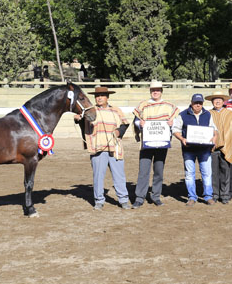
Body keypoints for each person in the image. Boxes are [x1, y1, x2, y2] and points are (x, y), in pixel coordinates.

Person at [74, 86, 130, 210]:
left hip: (115, 147)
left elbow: (125, 124)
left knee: (119, 175)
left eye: (102, 96)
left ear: (107, 97)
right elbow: (82, 122)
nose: (99, 98)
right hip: (97, 147)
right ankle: (99, 200)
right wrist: (78, 120)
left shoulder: (116, 110)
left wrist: (119, 132)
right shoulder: (90, 110)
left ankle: (123, 199)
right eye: (97, 96)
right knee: (98, 175)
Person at [132, 80, 180, 209]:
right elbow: (136, 121)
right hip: (147, 143)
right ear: (150, 91)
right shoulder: (143, 105)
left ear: (161, 91)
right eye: (153, 90)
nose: (155, 92)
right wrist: (140, 124)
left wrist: (171, 124)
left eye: (158, 90)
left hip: (162, 142)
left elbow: (175, 122)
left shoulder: (169, 106)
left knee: (159, 170)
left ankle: (156, 195)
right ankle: (139, 197)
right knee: (143, 170)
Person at [173, 94, 218, 206]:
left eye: (200, 103)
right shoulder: (182, 115)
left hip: (204, 149)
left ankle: (208, 196)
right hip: (189, 149)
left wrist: (215, 137)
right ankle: (192, 197)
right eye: (196, 103)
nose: (198, 105)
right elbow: (175, 129)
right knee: (189, 174)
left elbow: (214, 129)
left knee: (207, 173)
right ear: (191, 103)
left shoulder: (208, 114)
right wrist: (182, 138)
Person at [206, 91, 232, 204]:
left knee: (226, 171)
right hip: (212, 147)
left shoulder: (229, 113)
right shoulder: (208, 113)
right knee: (213, 172)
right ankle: (215, 194)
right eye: (215, 99)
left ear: (223, 101)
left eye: (219, 99)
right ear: (212, 101)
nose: (217, 101)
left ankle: (225, 194)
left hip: (227, 145)